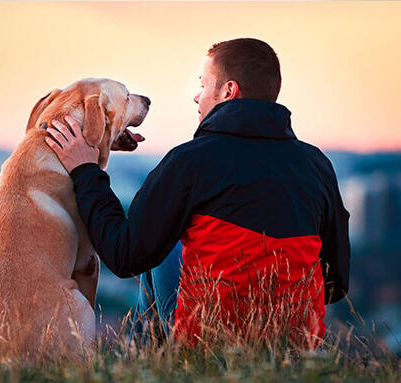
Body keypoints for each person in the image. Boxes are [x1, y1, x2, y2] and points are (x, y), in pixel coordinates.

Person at [45, 38, 350, 347]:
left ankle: (144, 367)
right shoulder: (317, 166)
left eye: (203, 85)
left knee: (159, 249)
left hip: (209, 341)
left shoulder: (190, 161)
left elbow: (124, 255)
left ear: (228, 92)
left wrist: (86, 171)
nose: (196, 97)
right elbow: (336, 283)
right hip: (295, 344)